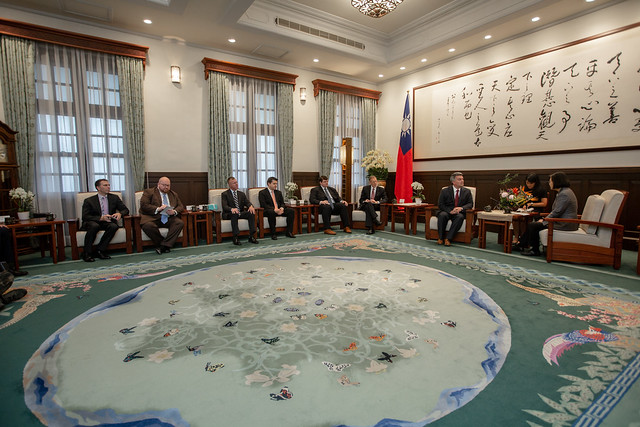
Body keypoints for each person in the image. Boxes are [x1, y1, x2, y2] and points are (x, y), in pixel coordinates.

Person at [520, 171, 578, 256]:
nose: (549, 183)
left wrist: (544, 220)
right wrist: (545, 220)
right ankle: (523, 244)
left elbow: (557, 212)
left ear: (557, 182)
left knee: (533, 225)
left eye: (550, 181)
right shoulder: (564, 192)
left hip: (564, 224)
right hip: (561, 221)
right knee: (534, 224)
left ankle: (533, 249)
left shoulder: (564, 194)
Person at [80, 179, 129, 262]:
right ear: (98, 188)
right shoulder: (89, 200)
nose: (108, 187)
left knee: (113, 226)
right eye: (105, 185)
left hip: (107, 222)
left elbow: (125, 210)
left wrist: (120, 214)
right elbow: (85, 216)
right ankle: (87, 253)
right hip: (93, 221)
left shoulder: (114, 198)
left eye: (109, 185)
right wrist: (101, 218)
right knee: (94, 226)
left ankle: (100, 250)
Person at [139, 176, 185, 255]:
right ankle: (164, 245)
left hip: (168, 217)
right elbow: (144, 205)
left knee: (179, 223)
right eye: (164, 185)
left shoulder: (173, 194)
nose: (166, 187)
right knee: (148, 226)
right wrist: (158, 208)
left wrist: (174, 211)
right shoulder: (149, 192)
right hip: (152, 217)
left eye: (168, 185)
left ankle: (163, 246)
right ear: (158, 184)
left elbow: (181, 206)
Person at [436, 172, 473, 246]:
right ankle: (441, 238)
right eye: (459, 179)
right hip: (447, 211)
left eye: (462, 179)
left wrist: (461, 208)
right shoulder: (445, 191)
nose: (462, 181)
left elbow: (470, 204)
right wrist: (450, 211)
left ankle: (448, 239)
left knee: (460, 217)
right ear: (453, 182)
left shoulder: (467, 191)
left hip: (459, 212)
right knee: (442, 215)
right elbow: (441, 204)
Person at [513, 173, 548, 248]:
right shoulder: (524, 189)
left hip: (536, 210)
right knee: (515, 217)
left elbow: (544, 204)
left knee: (523, 219)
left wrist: (532, 204)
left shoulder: (541, 190)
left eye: (531, 183)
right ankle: (516, 237)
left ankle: (523, 240)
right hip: (524, 210)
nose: (528, 185)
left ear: (535, 182)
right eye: (527, 182)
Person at [221, 177, 258, 245]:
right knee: (235, 213)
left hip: (240, 213)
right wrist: (232, 209)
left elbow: (247, 202)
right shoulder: (225, 194)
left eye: (237, 182)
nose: (236, 184)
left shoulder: (241, 194)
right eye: (234, 183)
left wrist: (250, 206)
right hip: (229, 213)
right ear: (230, 185)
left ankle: (251, 235)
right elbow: (224, 206)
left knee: (251, 212)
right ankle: (235, 237)